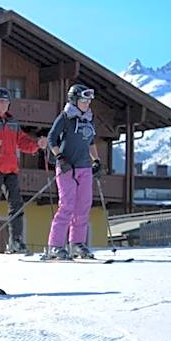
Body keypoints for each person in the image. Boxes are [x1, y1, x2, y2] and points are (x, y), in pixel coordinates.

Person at [0, 87, 48, 255]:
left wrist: (37, 145)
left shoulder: (13, 122)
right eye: (1, 101)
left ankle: (16, 241)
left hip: (10, 168)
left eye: (7, 102)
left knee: (16, 204)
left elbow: (22, 141)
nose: (5, 104)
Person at [46, 84, 102, 260]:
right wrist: (59, 157)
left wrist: (97, 160)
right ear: (74, 100)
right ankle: (55, 245)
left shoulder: (88, 119)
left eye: (88, 100)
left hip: (84, 167)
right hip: (66, 167)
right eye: (84, 100)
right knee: (67, 205)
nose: (87, 103)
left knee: (83, 205)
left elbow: (91, 142)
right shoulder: (65, 117)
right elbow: (51, 138)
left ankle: (77, 243)